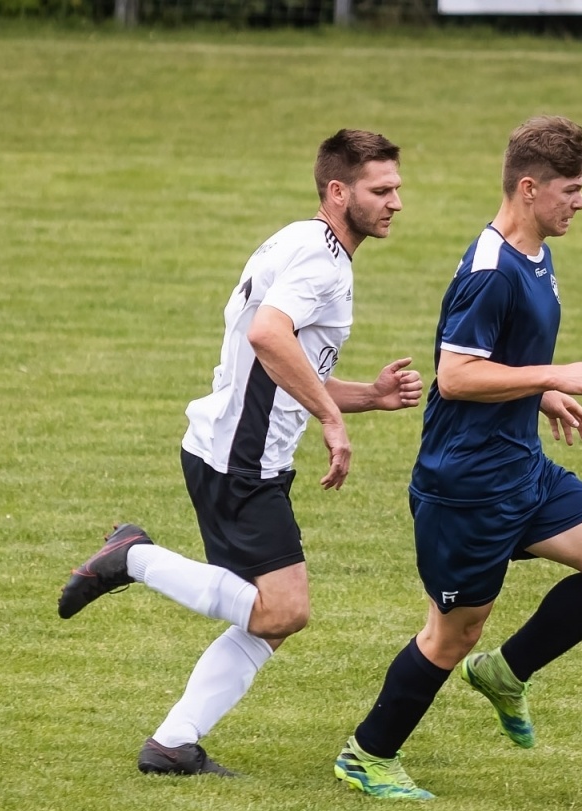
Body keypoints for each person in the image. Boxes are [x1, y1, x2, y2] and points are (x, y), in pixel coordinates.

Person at [57, 129, 421, 777]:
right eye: (382, 190)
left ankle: (172, 744)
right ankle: (132, 557)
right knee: (284, 609)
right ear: (339, 192)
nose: (397, 202)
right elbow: (266, 336)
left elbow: (283, 362)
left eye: (397, 188)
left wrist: (365, 396)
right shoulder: (319, 261)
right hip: (240, 460)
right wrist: (333, 419)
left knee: (273, 618)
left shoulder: (300, 241)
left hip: (239, 452)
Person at [333, 116, 582, 800]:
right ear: (530, 188)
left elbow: (497, 358)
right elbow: (455, 376)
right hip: (467, 487)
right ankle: (367, 754)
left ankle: (506, 673)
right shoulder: (492, 270)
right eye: (571, 190)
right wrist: (552, 376)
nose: (581, 203)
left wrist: (537, 397)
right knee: (450, 636)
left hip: (521, 469)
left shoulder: (535, 252)